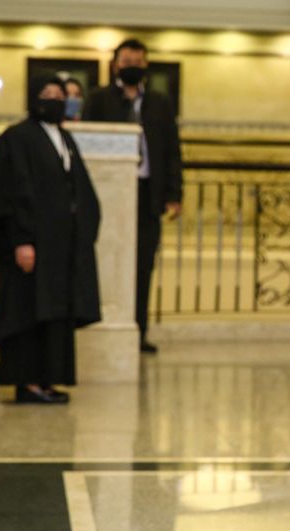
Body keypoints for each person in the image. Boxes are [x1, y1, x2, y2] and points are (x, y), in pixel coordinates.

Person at [0, 76, 102, 404]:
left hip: (58, 251)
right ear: (33, 98)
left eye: (61, 95)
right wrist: (21, 240)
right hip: (30, 248)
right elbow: (11, 193)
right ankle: (27, 382)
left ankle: (47, 379)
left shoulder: (64, 138)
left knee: (52, 314)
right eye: (47, 94)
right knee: (26, 312)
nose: (56, 100)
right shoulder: (17, 138)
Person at [82, 38, 182, 354]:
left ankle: (138, 331)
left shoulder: (159, 103)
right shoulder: (98, 100)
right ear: (115, 65)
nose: (132, 68)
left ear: (146, 66)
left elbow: (171, 151)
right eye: (127, 62)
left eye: (138, 62)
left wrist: (174, 193)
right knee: (110, 260)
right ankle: (107, 324)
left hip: (147, 194)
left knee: (143, 265)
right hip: (110, 196)